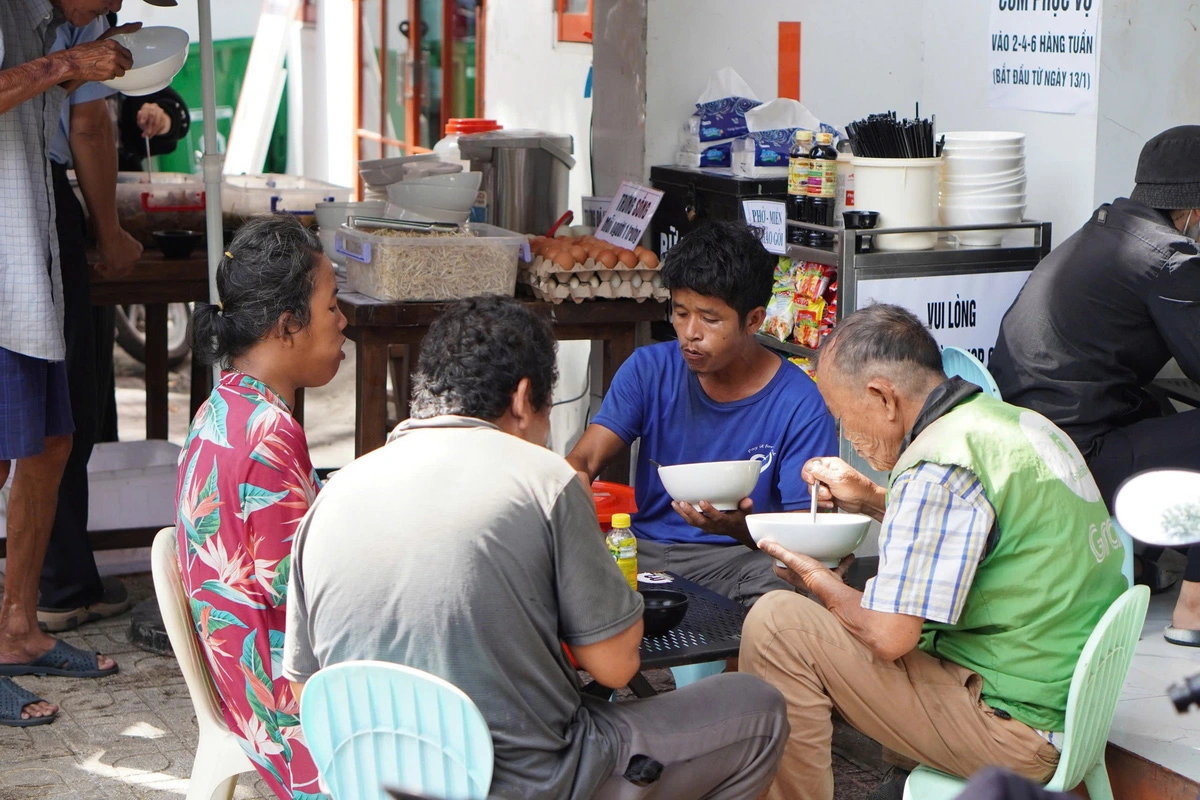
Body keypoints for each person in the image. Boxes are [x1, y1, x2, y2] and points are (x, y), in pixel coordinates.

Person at [283, 295, 790, 800]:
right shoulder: (543, 480)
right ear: (524, 399)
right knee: (756, 707)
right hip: (532, 782)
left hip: (373, 784)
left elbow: (308, 690)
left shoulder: (332, 498)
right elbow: (616, 667)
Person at [738, 304, 1126, 800]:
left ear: (882, 398)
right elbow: (978, 530)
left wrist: (817, 579)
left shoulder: (936, 468)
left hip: (1014, 728)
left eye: (843, 416)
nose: (847, 437)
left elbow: (889, 635)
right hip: (1069, 704)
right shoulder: (1008, 423)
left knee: (778, 625)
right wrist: (877, 500)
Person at [989, 125, 1200, 646]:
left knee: (1155, 408)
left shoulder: (1109, 224)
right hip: (1073, 455)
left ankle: (1140, 565)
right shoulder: (1172, 261)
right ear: (1194, 208)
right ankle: (1194, 607)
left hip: (1025, 438)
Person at [0, 0, 147, 728]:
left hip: (31, 243)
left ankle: (18, 630)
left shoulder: (65, 21)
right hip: (4, 249)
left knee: (54, 441)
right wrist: (69, 67)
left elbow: (82, 112)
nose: (117, 5)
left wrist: (84, 59)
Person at [567, 220, 837, 606]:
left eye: (710, 319)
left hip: (738, 560)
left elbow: (803, 535)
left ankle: (738, 669)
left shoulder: (799, 403)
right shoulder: (649, 369)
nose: (690, 333)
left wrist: (737, 527)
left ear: (754, 320)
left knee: (785, 592)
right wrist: (569, 484)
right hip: (645, 549)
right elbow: (587, 457)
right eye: (680, 313)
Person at [175, 216, 343, 800]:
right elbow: (298, 592)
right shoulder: (271, 432)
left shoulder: (219, 407)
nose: (344, 324)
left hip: (243, 681)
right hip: (286, 708)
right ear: (287, 323)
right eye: (332, 307)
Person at [35, 15, 145, 634]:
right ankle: (59, 584)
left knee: (51, 398)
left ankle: (55, 581)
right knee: (60, 399)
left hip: (34, 191)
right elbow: (89, 125)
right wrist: (109, 233)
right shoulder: (74, 30)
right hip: (34, 195)